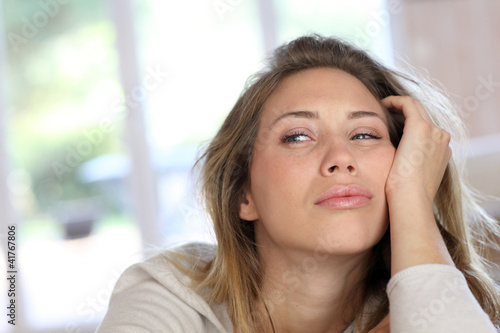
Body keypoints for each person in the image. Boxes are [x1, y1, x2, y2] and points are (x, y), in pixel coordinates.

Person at [97, 35, 500, 332]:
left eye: (364, 135)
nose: (341, 158)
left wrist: (412, 202)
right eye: (298, 136)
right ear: (244, 194)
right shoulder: (169, 296)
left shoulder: (437, 305)